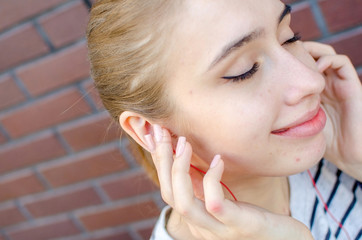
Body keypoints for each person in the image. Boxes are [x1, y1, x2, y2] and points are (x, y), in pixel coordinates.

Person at [87, 0, 362, 239]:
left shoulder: (335, 151)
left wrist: (357, 161)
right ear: (154, 131)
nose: (312, 80)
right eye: (244, 71)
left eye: (289, 37)